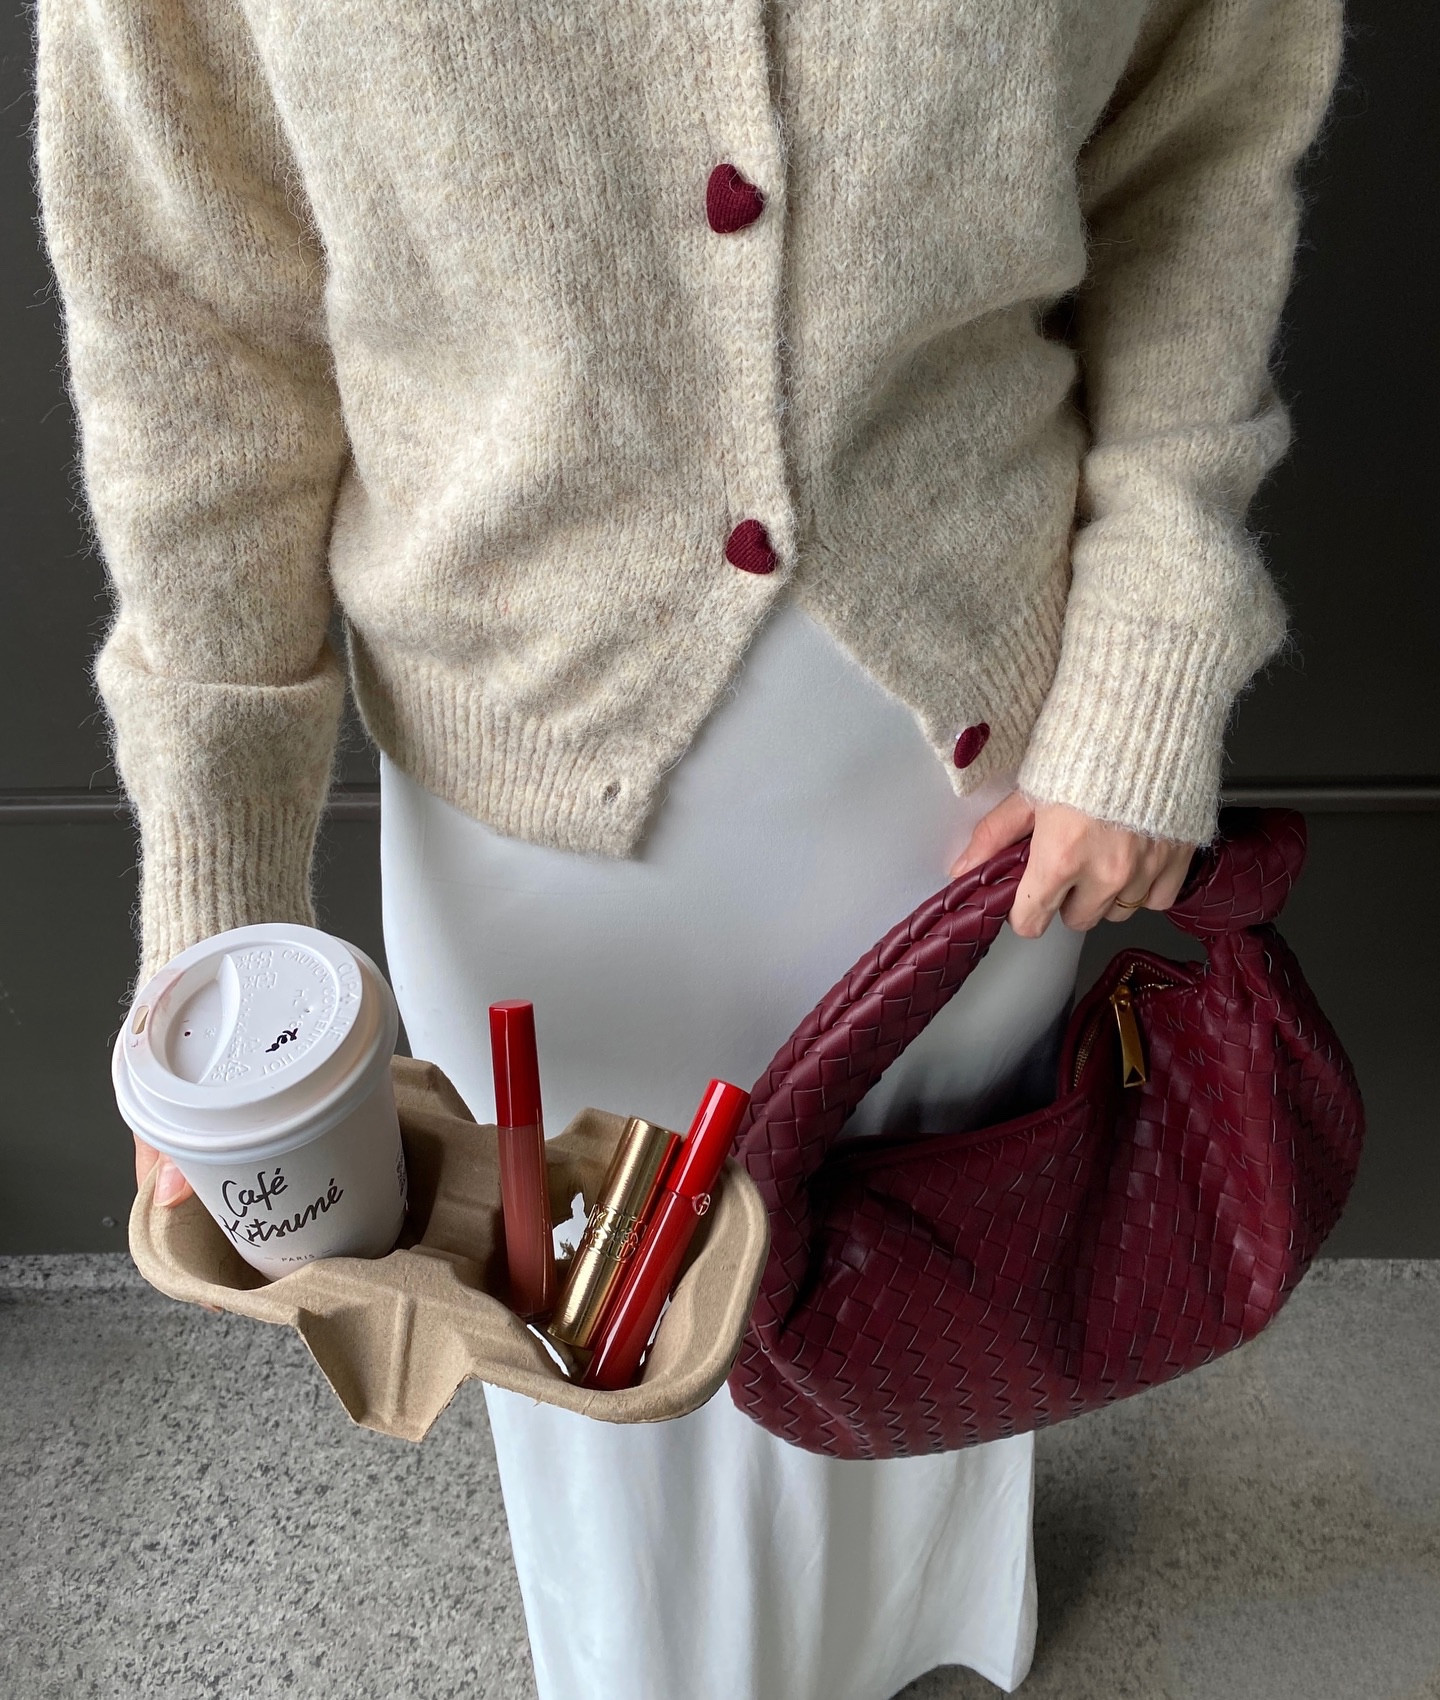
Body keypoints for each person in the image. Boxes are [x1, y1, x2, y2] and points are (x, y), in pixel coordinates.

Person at [33, 0, 1344, 1693]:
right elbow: (192, 324)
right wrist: (218, 889)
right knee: (598, 1303)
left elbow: (1199, 166)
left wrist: (1152, 658)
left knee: (945, 1246)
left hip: (967, 765)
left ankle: (940, 1631)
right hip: (532, 777)